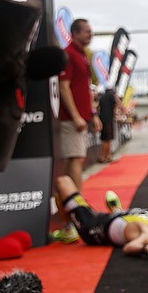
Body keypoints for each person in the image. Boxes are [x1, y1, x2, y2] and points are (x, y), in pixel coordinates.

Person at [54, 18, 101, 244]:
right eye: (87, 31)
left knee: (77, 159)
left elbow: (85, 89)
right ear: (75, 32)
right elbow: (64, 87)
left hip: (81, 118)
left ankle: (75, 206)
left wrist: (92, 114)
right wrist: (75, 116)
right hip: (71, 120)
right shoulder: (69, 54)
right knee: (75, 159)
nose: (91, 35)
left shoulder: (83, 55)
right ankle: (76, 207)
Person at [97, 87, 119, 164]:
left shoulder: (102, 97)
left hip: (102, 119)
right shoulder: (111, 96)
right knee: (107, 140)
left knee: (105, 139)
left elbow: (98, 108)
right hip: (108, 119)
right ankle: (103, 156)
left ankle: (107, 156)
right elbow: (117, 104)